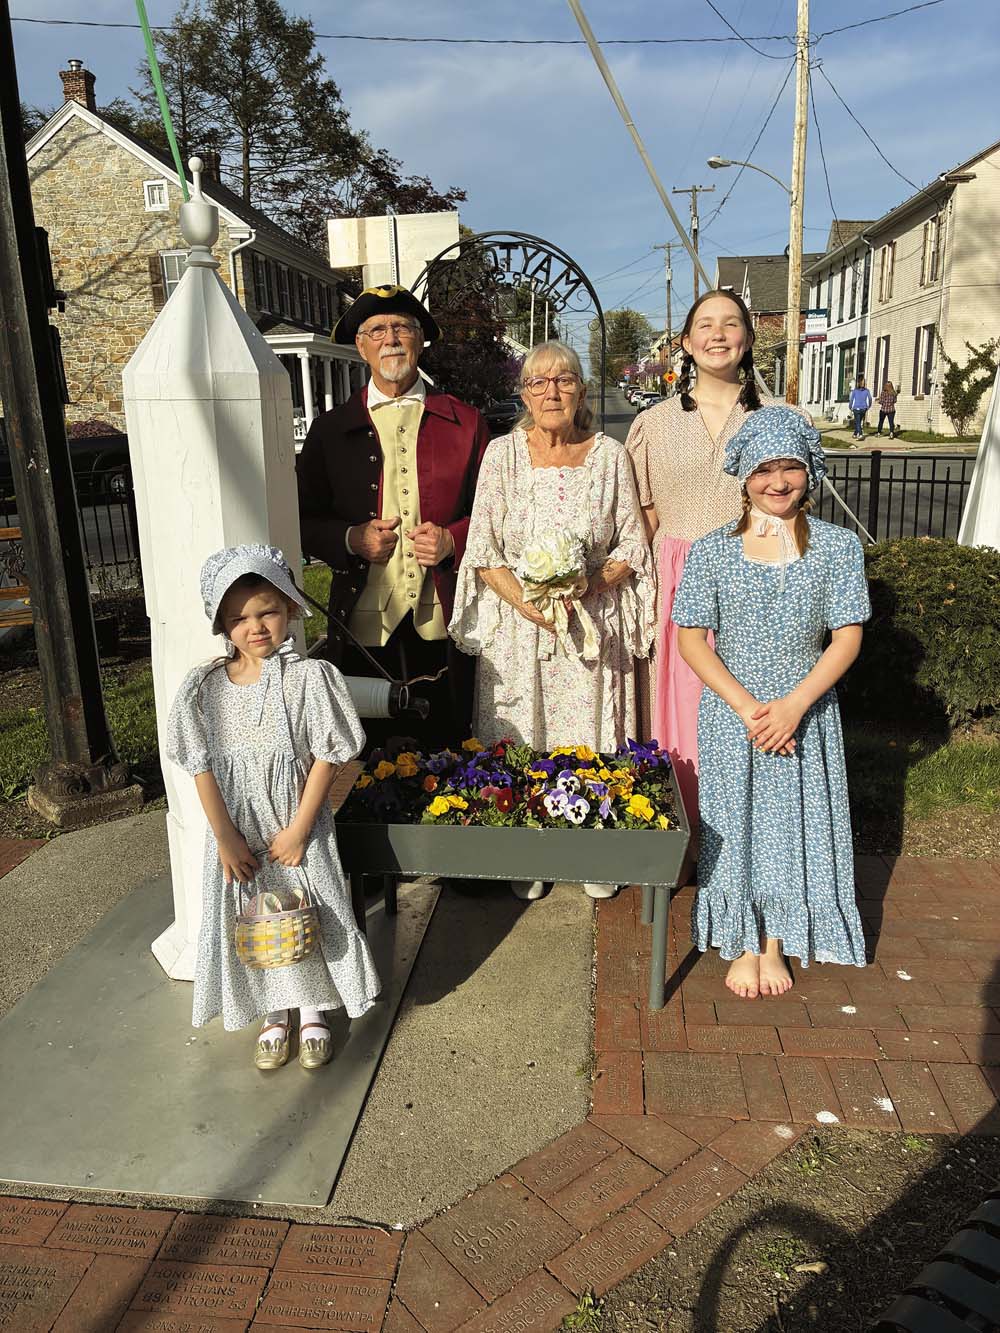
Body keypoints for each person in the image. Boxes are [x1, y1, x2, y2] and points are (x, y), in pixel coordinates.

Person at [672, 407, 870, 1000]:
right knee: (734, 822)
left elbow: (847, 637)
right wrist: (747, 707)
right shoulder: (712, 550)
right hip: (734, 713)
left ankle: (776, 940)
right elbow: (690, 639)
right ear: (743, 474)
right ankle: (741, 939)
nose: (778, 482)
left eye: (791, 468)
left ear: (810, 469)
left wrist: (794, 705)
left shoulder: (837, 547)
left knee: (790, 823)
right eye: (763, 469)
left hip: (805, 711)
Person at [450, 340, 655, 900]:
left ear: (582, 391)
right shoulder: (502, 456)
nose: (551, 392)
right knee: (525, 731)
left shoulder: (610, 457)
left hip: (591, 624)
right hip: (521, 629)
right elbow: (484, 549)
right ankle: (527, 850)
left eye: (564, 380)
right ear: (524, 395)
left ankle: (593, 848)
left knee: (591, 731)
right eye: (538, 382)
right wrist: (527, 601)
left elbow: (632, 544)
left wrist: (588, 585)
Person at [165, 544, 381, 1070]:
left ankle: (313, 1008)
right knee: (256, 921)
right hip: (240, 832)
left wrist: (300, 829)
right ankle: (273, 1009)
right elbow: (201, 767)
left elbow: (328, 756)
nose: (255, 627)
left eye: (267, 611)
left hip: (296, 825)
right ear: (222, 624)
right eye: (238, 618)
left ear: (289, 607)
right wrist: (225, 837)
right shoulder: (204, 689)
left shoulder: (310, 679)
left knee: (311, 912)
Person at [624, 289, 795, 820]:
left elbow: (795, 512)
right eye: (705, 325)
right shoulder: (654, 424)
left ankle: (750, 828)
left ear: (748, 338)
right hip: (677, 580)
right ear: (685, 342)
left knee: (753, 701)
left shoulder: (780, 417)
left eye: (730, 323)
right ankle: (686, 827)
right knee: (681, 708)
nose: (718, 335)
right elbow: (643, 519)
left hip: (757, 577)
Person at [296, 285, 490, 750]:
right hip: (363, 624)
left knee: (453, 748)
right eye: (378, 330)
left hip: (446, 617)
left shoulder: (466, 423)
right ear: (361, 346)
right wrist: (351, 538)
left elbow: (497, 515)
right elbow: (301, 520)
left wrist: (453, 540)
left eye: (402, 327)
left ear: (420, 340)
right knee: (369, 755)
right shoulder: (329, 431)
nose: (392, 339)